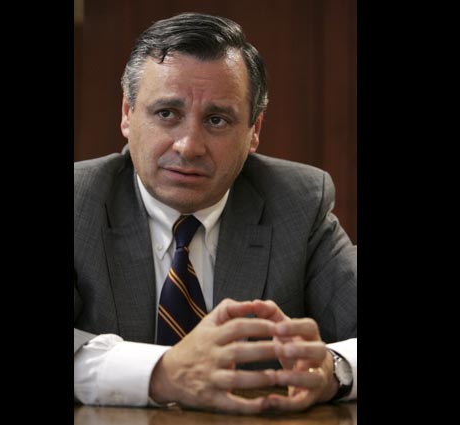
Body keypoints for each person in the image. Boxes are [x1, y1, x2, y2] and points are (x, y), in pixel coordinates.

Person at [74, 12, 357, 414]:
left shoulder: (297, 202)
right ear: (127, 114)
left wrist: (334, 369)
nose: (189, 146)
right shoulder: (80, 202)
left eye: (217, 120)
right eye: (167, 113)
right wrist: (162, 372)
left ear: (254, 131)